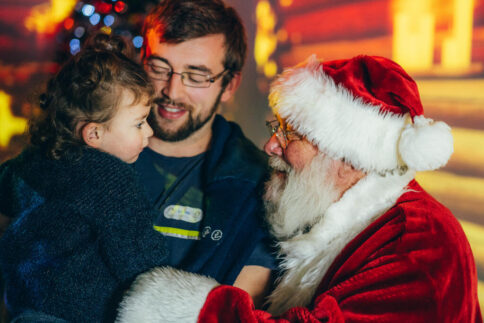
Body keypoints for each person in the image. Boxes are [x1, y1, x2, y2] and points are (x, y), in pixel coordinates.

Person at [116, 55, 482, 322]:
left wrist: (192, 309)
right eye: (276, 128)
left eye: (290, 134)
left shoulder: (419, 246)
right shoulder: (336, 219)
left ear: (349, 158)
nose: (271, 146)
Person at [0, 33, 168, 323]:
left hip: (23, 305)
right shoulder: (112, 180)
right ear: (94, 134)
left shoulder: (35, 158)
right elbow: (142, 262)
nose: (149, 132)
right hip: (79, 315)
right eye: (139, 123)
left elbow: (5, 187)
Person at [133, 0, 276, 306]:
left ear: (229, 84)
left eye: (196, 76)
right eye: (159, 68)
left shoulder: (258, 185)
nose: (172, 91)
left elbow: (237, 309)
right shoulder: (91, 153)